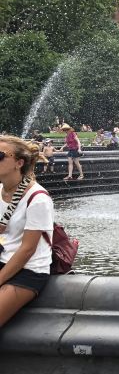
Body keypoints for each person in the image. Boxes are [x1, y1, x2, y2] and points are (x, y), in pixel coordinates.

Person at [0, 136, 54, 328]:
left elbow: (27, 250)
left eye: (0, 156)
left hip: (28, 270)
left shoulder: (38, 198)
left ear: (19, 163)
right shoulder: (0, 191)